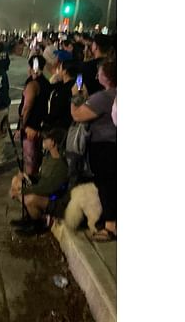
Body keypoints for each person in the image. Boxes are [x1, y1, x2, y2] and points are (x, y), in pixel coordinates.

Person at [71, 57, 117, 242]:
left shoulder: (104, 97)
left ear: (106, 76)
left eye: (100, 72)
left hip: (105, 147)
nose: (97, 75)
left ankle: (110, 226)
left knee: (106, 185)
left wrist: (76, 94)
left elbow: (77, 114)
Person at [9, 127, 70, 236]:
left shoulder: (61, 165)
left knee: (30, 198)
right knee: (16, 180)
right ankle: (29, 216)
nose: (43, 141)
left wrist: (23, 191)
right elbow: (41, 177)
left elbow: (48, 188)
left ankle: (37, 224)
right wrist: (27, 177)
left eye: (46, 139)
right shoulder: (48, 157)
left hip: (56, 201)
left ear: (53, 143)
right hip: (44, 192)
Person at [17, 55, 52, 178]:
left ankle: (31, 184)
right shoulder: (47, 82)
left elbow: (27, 107)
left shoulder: (32, 84)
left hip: (30, 127)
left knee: (30, 160)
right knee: (38, 157)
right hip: (42, 126)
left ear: (31, 68)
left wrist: (21, 126)